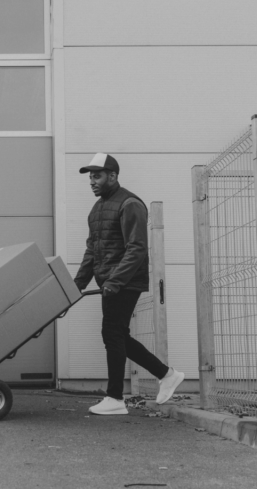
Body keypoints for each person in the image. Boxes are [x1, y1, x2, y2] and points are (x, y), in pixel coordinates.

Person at [74, 152, 185, 415]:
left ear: (112, 176)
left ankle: (115, 398)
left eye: (97, 175)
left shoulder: (130, 203)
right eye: (90, 176)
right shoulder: (97, 209)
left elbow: (137, 248)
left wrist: (115, 280)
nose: (92, 181)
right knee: (118, 335)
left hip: (124, 282)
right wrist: (77, 283)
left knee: (112, 333)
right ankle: (167, 374)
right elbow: (92, 250)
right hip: (111, 282)